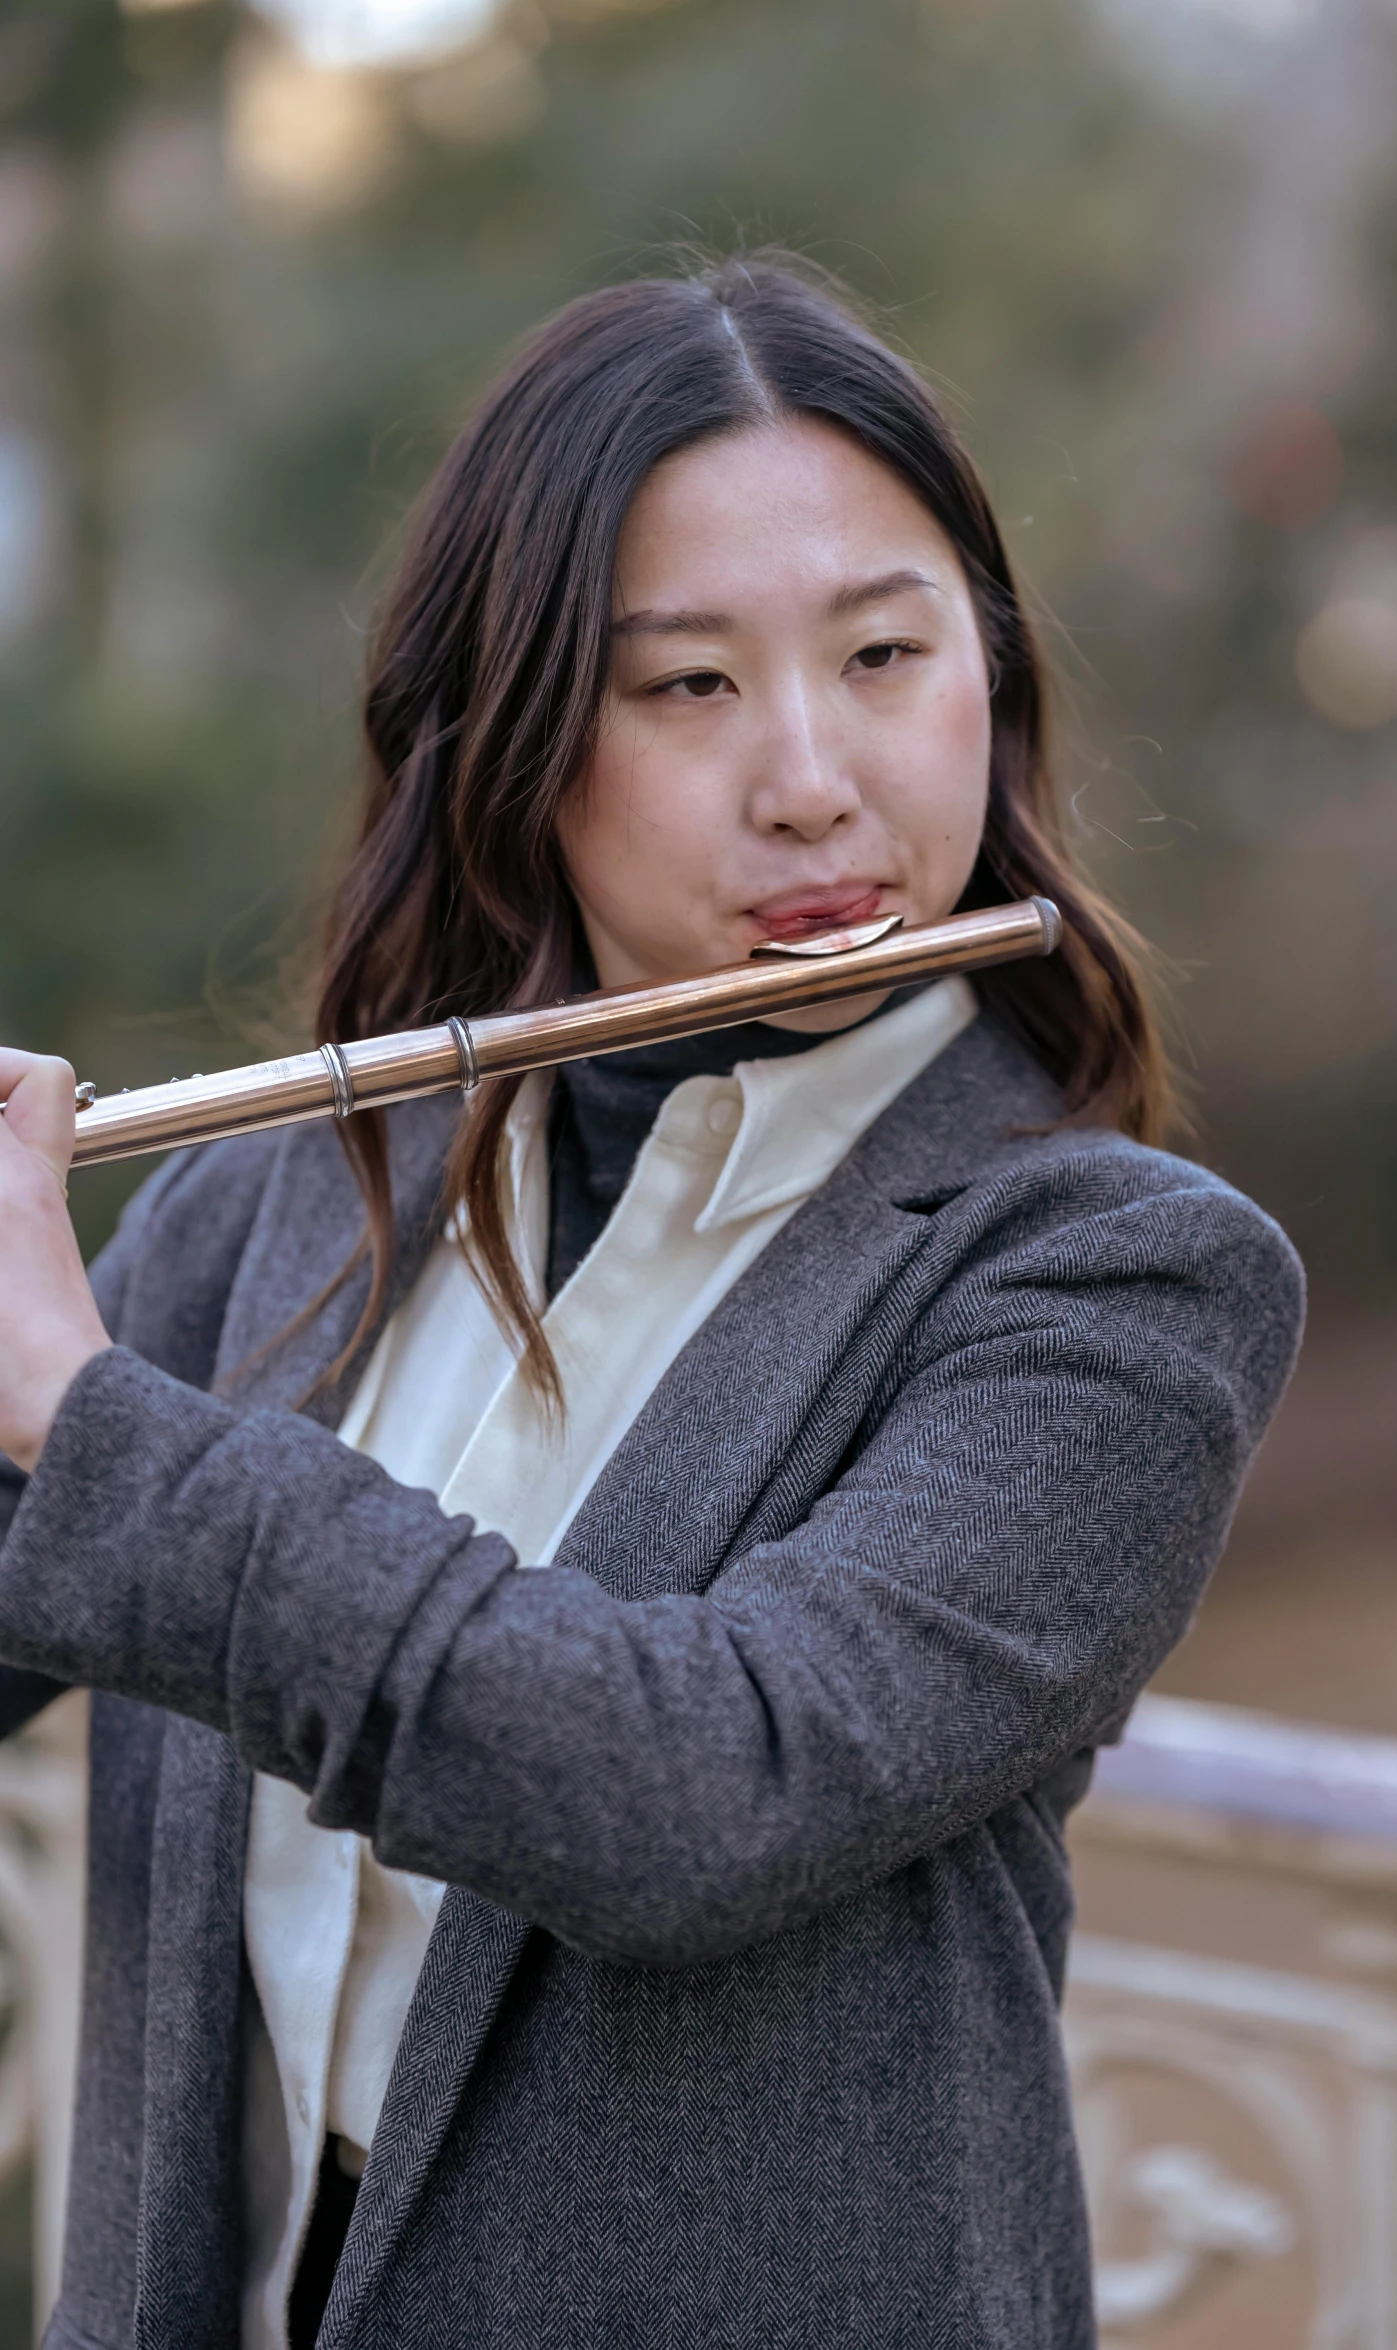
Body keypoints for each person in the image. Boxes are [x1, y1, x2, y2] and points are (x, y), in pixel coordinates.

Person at [0, 256, 1303, 2350]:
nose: (812, 777)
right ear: (511, 735)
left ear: (991, 666)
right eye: (687, 685)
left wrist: (81, 1409)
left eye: (886, 652)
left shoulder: (1111, 1274)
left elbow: (696, 1787)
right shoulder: (286, 1201)